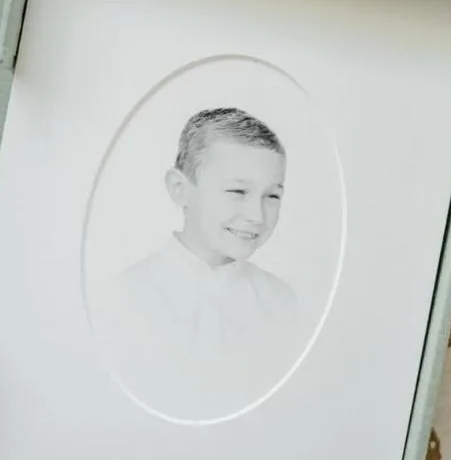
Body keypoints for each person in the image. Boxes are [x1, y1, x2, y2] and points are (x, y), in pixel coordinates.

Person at [94, 107, 298, 421]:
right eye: (238, 191)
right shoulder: (125, 297)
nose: (257, 216)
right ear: (180, 189)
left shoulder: (280, 302)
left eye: (272, 196)